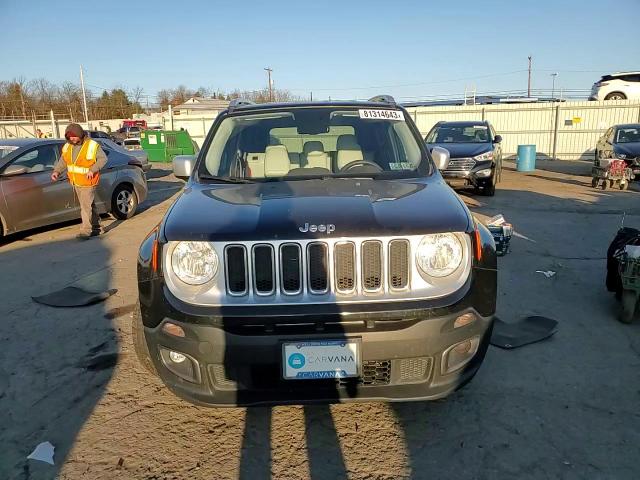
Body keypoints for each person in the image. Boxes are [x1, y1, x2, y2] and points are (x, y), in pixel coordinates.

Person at [51, 124, 108, 240]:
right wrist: (57, 171)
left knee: (85, 206)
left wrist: (93, 170)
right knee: (89, 205)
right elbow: (63, 161)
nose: (72, 139)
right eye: (69, 137)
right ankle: (97, 227)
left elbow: (103, 159)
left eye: (74, 136)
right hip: (76, 181)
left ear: (80, 135)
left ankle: (86, 231)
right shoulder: (67, 147)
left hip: (89, 181)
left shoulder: (92, 145)